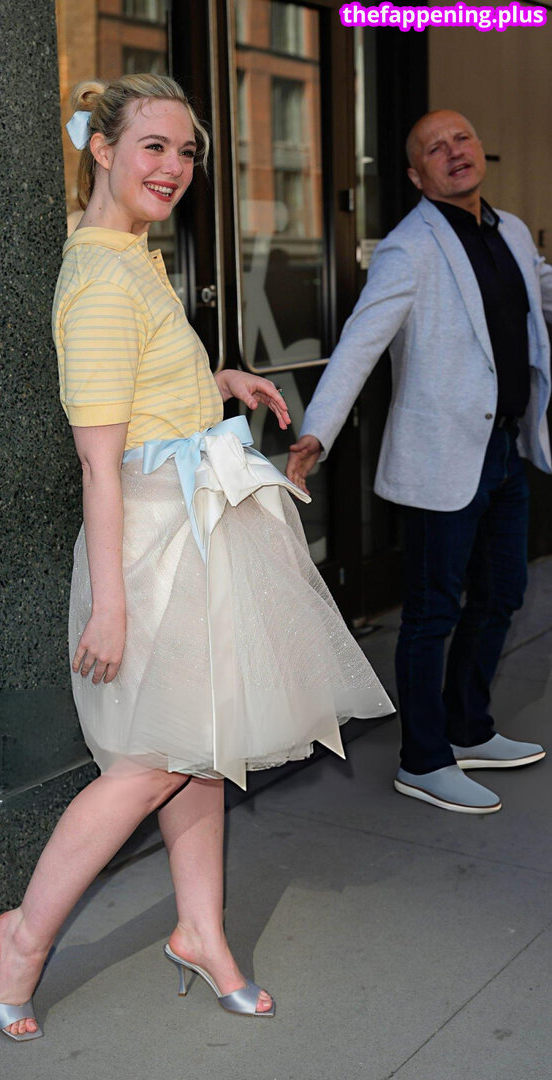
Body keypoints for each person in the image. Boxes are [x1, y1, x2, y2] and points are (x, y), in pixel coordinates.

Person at [0, 74, 392, 1042]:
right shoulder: (98, 279)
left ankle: (200, 932)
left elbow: (140, 388)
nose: (173, 167)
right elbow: (96, 460)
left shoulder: (131, 255)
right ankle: (19, 937)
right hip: (154, 550)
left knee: (203, 750)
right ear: (103, 150)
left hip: (191, 534)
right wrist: (109, 605)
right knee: (149, 763)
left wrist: (216, 380)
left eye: (187, 151)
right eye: (153, 146)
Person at [288, 109, 551, 816]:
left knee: (501, 595)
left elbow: (538, 294)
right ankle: (423, 760)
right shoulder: (409, 248)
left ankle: (468, 728)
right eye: (435, 149)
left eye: (461, 138)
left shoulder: (509, 230)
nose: (453, 152)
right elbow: (359, 343)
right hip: (439, 460)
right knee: (432, 612)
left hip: (505, 449)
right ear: (416, 175)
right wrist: (317, 433)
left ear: (480, 149)